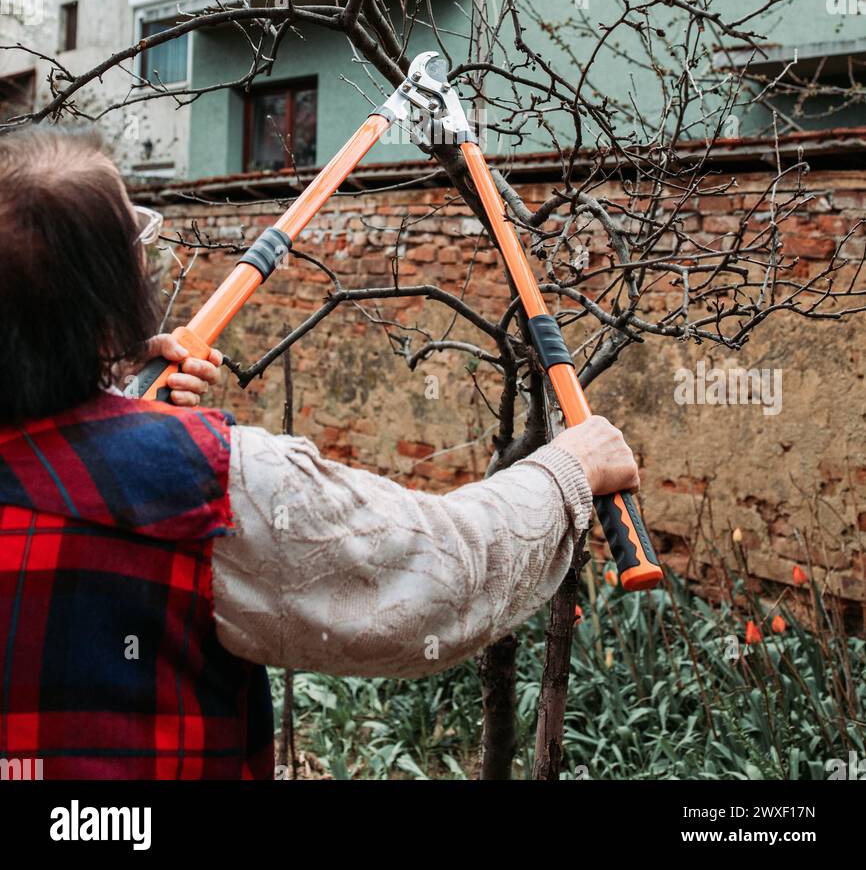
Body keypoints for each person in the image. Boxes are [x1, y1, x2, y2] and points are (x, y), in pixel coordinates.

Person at [0, 129, 640, 780]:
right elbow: (433, 576)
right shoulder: (205, 484)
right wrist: (570, 473)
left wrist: (108, 390)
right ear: (111, 307)